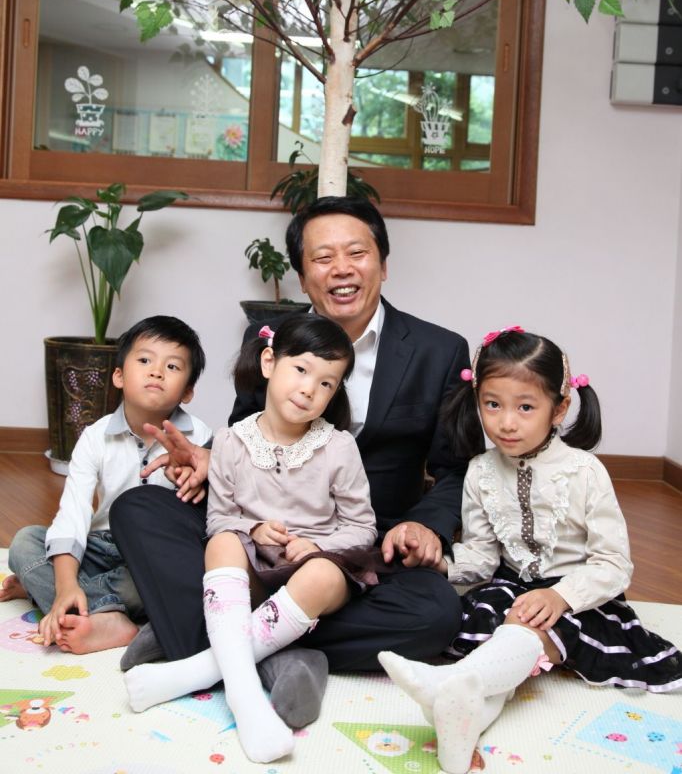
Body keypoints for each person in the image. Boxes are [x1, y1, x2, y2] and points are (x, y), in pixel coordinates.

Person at [110, 196, 480, 727]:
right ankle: (282, 650)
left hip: (361, 545)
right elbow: (247, 433)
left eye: (357, 253)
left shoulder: (438, 350)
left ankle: (209, 647)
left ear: (383, 263)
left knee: (438, 615)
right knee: (138, 508)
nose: (342, 269)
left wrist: (426, 525)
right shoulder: (267, 340)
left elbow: (457, 466)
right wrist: (209, 458)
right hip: (258, 532)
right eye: (323, 258)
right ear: (303, 278)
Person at [379, 327, 682, 774]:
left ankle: (448, 682)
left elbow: (614, 564)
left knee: (530, 625)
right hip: (512, 586)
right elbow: (482, 556)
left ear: (559, 408)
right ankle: (462, 720)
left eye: (525, 407)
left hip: (578, 595)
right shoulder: (480, 471)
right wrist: (442, 563)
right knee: (501, 621)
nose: (506, 422)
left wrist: (560, 596)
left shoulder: (585, 472)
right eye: (492, 404)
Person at [126, 312, 377, 762]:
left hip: (318, 575)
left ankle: (200, 669)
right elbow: (220, 520)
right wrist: (255, 530)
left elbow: (363, 528)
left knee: (321, 574)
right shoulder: (230, 442)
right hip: (258, 571)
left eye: (326, 383)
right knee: (221, 543)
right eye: (300, 370)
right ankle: (245, 694)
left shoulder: (339, 447)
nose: (309, 389)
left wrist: (319, 547)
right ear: (268, 363)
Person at [0, 315, 211, 655]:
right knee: (25, 543)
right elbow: (73, 514)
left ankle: (61, 598)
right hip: (100, 545)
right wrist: (66, 582)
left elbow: (198, 524)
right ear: (119, 376)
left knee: (153, 582)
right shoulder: (94, 437)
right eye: (145, 360)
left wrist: (194, 481)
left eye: (172, 366)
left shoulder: (199, 439)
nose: (157, 372)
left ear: (187, 391)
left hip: (152, 553)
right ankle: (93, 607)